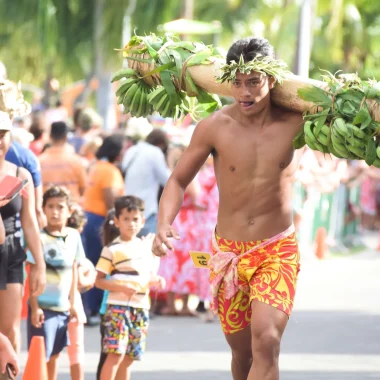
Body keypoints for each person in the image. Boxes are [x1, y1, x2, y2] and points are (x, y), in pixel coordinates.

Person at [152, 37, 303, 380]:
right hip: (228, 253)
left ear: (272, 80)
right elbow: (176, 181)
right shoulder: (213, 127)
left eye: (254, 82)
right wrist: (163, 224)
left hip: (276, 249)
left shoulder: (299, 123)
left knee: (267, 340)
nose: (245, 92)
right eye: (237, 83)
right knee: (242, 353)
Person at [95, 196, 165, 380]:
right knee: (115, 355)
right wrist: (121, 286)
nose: (131, 224)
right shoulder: (112, 249)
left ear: (142, 221)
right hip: (118, 309)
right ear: (116, 221)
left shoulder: (144, 248)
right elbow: (99, 281)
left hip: (141, 308)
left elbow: (144, 276)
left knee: (128, 357)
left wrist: (156, 280)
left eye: (135, 219)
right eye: (126, 219)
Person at [0, 110, 46, 352]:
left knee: (8, 331)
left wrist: (39, 262)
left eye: (2, 134)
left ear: (10, 137)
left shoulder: (20, 175)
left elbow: (29, 222)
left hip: (10, 254)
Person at [26, 186, 83, 380]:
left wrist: (73, 303)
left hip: (63, 308)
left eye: (60, 207)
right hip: (43, 308)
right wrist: (34, 307)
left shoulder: (74, 236)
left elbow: (74, 269)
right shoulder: (38, 238)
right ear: (43, 209)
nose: (55, 211)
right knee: (42, 354)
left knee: (56, 355)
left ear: (69, 211)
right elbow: (32, 272)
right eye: (50, 206)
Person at [82, 134, 125, 325]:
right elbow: (110, 199)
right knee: (102, 265)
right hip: (100, 220)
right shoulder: (110, 171)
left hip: (89, 218)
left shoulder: (97, 166)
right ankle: (97, 309)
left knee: (92, 263)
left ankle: (90, 308)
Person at [67, 204, 97, 380]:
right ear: (80, 228)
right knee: (76, 351)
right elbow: (80, 280)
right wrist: (90, 279)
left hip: (57, 301)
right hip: (74, 303)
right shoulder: (77, 247)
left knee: (51, 353)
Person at [121, 129, 170, 237]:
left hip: (127, 207)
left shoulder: (132, 150)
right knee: (146, 249)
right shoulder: (155, 152)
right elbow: (168, 180)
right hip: (146, 210)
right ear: (161, 144)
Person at [39, 121, 86, 203]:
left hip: (46, 209)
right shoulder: (75, 161)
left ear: (50, 137)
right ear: (65, 137)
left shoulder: (39, 161)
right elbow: (83, 188)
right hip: (71, 208)